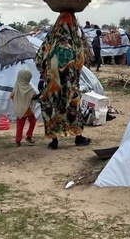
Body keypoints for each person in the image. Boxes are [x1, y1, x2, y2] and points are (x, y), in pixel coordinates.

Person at [36, 12, 91, 150]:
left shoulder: (50, 39)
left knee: (53, 108)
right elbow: (80, 62)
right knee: (72, 107)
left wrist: (46, 70)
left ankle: (54, 141)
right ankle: (78, 137)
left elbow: (38, 59)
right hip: (70, 85)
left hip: (52, 85)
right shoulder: (75, 41)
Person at [10, 68, 38, 147]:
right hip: (27, 110)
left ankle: (18, 141)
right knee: (33, 121)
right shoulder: (30, 89)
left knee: (20, 124)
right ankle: (29, 136)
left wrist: (19, 102)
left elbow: (12, 96)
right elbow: (34, 97)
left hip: (19, 109)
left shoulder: (16, 86)